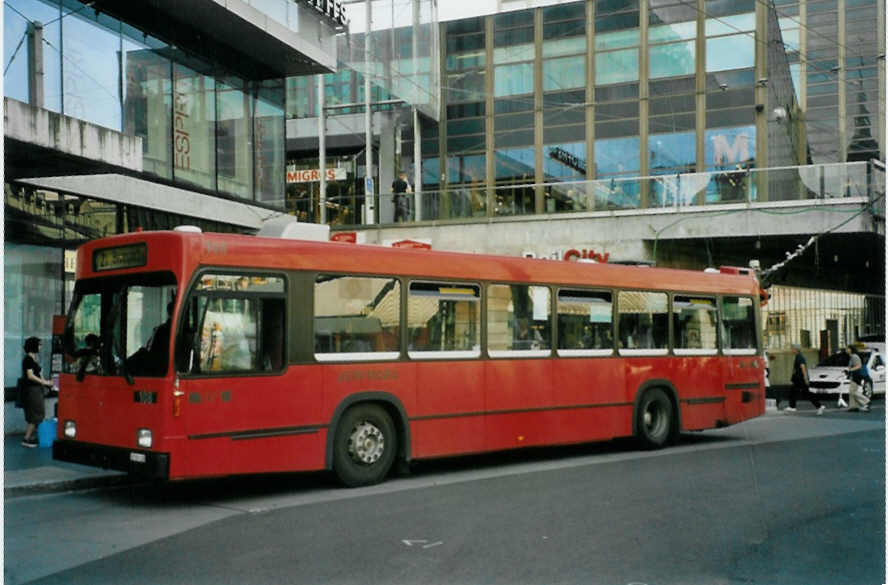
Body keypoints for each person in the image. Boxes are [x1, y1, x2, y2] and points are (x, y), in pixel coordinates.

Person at [20, 337, 53, 447]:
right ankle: (26, 439)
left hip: (36, 389)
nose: (40, 347)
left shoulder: (34, 359)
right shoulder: (28, 360)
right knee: (37, 414)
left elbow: (38, 373)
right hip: (32, 390)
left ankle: (33, 437)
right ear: (34, 346)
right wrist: (44, 382)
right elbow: (30, 376)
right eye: (39, 345)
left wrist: (45, 382)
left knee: (36, 414)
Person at [785, 343, 825, 415]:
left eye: (792, 349)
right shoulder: (798, 356)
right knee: (794, 392)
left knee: (806, 394)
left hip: (800, 379)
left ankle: (819, 406)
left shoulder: (800, 357)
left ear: (795, 349)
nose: (791, 350)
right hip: (798, 379)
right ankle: (792, 407)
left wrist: (805, 378)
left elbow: (803, 367)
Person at [844, 344, 871, 412]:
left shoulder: (854, 356)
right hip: (854, 375)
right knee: (852, 391)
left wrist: (850, 370)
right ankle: (853, 406)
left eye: (847, 349)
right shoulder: (852, 356)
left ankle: (866, 401)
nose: (846, 350)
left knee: (852, 391)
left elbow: (859, 366)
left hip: (857, 375)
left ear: (850, 349)